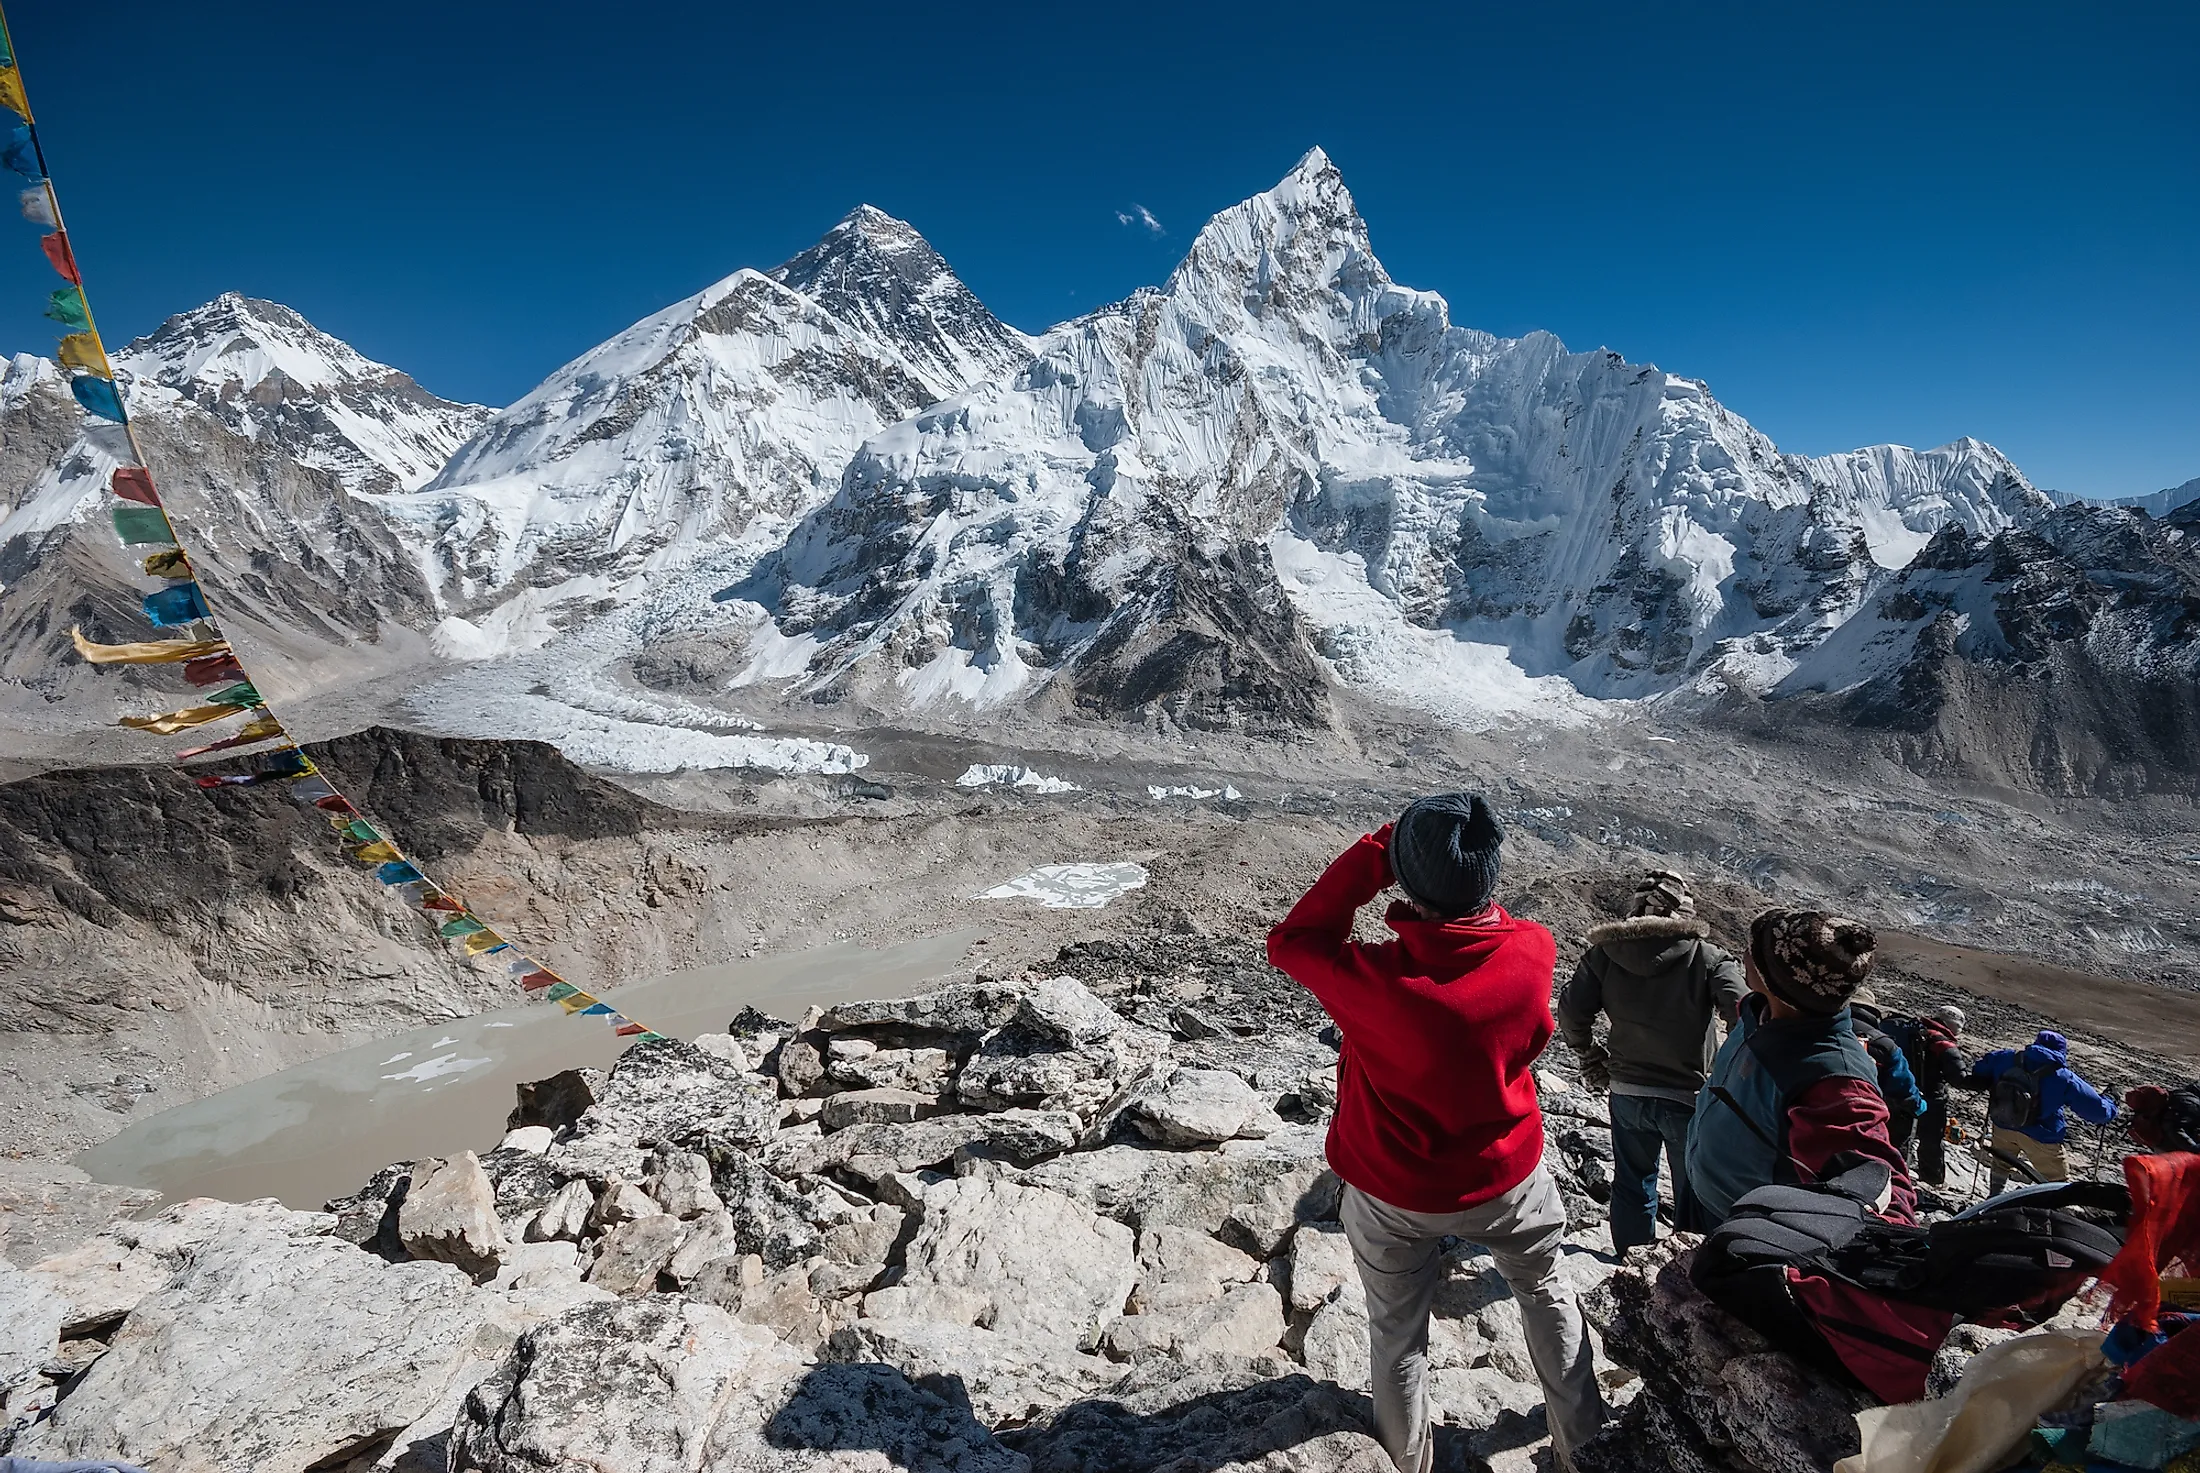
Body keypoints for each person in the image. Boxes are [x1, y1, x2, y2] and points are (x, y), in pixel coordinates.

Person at [1268, 793, 1605, 1473]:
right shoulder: (1534, 952)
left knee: (1397, 1336)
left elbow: (1292, 940)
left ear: (1408, 881)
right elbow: (1496, 929)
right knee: (1546, 1292)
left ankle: (1406, 1461)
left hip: (1394, 1191)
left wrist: (1379, 854)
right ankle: (1587, 1454)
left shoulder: (1380, 982)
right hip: (1507, 1177)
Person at [1685, 909, 1918, 1228]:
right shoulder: (1760, 1013)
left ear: (1776, 980)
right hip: (1703, 1194)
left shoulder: (1834, 1077)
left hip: (1743, 1229)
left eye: (1754, 951)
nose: (1744, 955)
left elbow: (1879, 1187)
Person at [1556, 870, 1745, 1251]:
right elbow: (1745, 1013)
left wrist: (1592, 1057)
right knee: (1693, 1189)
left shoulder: (1604, 955)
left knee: (1632, 1182)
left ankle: (1631, 1262)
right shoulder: (1706, 957)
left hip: (1626, 1091)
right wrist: (1731, 1071)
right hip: (1689, 1097)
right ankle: (1687, 1276)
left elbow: (1572, 1013)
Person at [1971, 1030, 2118, 1195]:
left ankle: (1994, 1197)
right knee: (2056, 1180)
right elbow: (2098, 1112)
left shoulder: (2005, 1058)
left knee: (2001, 1163)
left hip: (2003, 1122)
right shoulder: (2063, 1077)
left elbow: (1978, 1070)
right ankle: (2049, 1212)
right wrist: (2111, 1103)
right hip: (2041, 1134)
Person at [1878, 1004, 1970, 1186]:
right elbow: (1958, 1078)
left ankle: (1890, 1173)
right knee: (1931, 1140)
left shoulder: (1914, 1031)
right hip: (1931, 1098)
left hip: (1901, 1091)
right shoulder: (1942, 1042)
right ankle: (1932, 1179)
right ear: (1955, 1026)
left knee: (1897, 1135)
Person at [1846, 990, 1928, 1148]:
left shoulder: (1818, 1029)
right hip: (1866, 1124)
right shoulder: (1885, 1045)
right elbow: (1904, 1087)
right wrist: (1918, 1105)